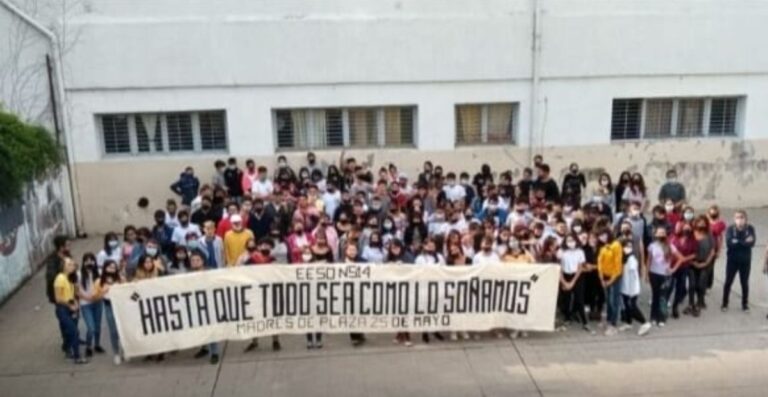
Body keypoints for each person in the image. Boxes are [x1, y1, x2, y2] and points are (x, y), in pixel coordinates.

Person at [186, 250, 221, 364]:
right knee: (200, 329)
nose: (195, 262)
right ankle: (205, 348)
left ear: (202, 261)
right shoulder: (187, 275)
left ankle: (214, 352)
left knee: (211, 329)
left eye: (197, 260)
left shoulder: (210, 272)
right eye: (193, 260)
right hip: (195, 305)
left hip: (209, 305)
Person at [721, 210, 756, 312]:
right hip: (732, 260)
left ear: (746, 219)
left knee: (744, 283)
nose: (739, 220)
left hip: (745, 261)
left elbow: (752, 243)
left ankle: (745, 304)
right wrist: (744, 241)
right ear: (734, 219)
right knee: (728, 282)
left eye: (741, 217)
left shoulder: (750, 229)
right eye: (737, 217)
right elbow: (729, 243)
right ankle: (724, 303)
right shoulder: (730, 229)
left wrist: (738, 241)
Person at [54, 257, 87, 364]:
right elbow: (58, 298)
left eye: (72, 264)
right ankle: (77, 356)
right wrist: (70, 305)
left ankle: (67, 348)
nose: (72, 266)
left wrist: (76, 303)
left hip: (72, 307)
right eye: (69, 264)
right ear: (63, 266)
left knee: (70, 332)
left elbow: (73, 294)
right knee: (73, 331)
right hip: (63, 309)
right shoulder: (60, 278)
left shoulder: (71, 278)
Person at [646, 226, 681, 327]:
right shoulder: (651, 246)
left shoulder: (670, 246)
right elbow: (649, 260)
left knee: (663, 297)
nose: (661, 235)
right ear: (655, 234)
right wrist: (647, 274)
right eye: (659, 233)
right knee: (655, 296)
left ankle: (662, 318)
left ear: (666, 235)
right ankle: (653, 317)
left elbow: (680, 258)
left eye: (663, 233)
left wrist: (673, 269)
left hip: (665, 276)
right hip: (654, 274)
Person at [94, 259, 125, 365]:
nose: (112, 269)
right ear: (105, 268)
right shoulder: (99, 281)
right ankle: (116, 353)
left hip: (120, 306)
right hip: (109, 306)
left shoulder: (120, 278)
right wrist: (103, 291)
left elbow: (127, 289)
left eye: (113, 267)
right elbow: (96, 296)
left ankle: (125, 349)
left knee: (123, 329)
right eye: (109, 267)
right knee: (113, 331)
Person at [619, 240, 652, 336]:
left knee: (632, 306)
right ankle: (628, 323)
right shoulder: (624, 258)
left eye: (629, 246)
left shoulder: (632, 259)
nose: (627, 248)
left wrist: (632, 291)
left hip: (632, 289)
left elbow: (633, 276)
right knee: (626, 305)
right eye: (625, 246)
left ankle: (645, 323)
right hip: (625, 287)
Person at [558, 234, 590, 333]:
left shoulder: (580, 251)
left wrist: (572, 282)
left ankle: (585, 322)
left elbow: (580, 267)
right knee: (566, 299)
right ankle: (567, 319)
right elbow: (558, 268)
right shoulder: (561, 251)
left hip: (577, 277)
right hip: (565, 276)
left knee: (579, 299)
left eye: (572, 240)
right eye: (568, 240)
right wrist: (564, 282)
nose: (571, 242)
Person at [45, 235, 70, 353]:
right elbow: (50, 276)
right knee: (63, 317)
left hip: (70, 290)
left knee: (72, 315)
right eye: (67, 244)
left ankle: (72, 336)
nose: (69, 246)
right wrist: (63, 273)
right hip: (59, 292)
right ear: (61, 246)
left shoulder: (67, 255)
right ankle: (66, 342)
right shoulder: (53, 260)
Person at [78, 253, 105, 358]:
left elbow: (103, 287)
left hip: (98, 302)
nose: (89, 263)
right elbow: (78, 290)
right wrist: (88, 298)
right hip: (86, 304)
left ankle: (97, 345)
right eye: (87, 260)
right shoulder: (79, 274)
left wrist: (97, 297)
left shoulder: (99, 273)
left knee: (97, 326)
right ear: (83, 262)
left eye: (91, 260)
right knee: (91, 328)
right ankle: (89, 346)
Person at [596, 229, 622, 336]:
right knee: (608, 300)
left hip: (614, 277)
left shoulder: (616, 245)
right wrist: (602, 279)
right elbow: (599, 263)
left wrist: (610, 281)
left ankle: (613, 324)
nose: (602, 237)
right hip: (605, 277)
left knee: (614, 300)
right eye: (600, 235)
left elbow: (618, 266)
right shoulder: (603, 246)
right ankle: (608, 320)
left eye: (603, 234)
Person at [669, 221, 698, 319]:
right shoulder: (673, 237)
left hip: (684, 267)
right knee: (669, 287)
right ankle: (663, 306)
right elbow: (669, 250)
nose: (687, 230)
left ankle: (675, 307)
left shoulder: (692, 240)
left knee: (679, 288)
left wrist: (685, 259)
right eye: (685, 228)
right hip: (672, 266)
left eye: (689, 228)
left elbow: (694, 254)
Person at [690, 215, 715, 314]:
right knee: (694, 284)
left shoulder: (709, 234)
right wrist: (693, 262)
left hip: (705, 263)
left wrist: (706, 263)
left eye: (703, 222)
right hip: (693, 263)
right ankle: (692, 303)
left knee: (702, 284)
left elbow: (712, 250)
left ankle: (701, 301)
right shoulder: (691, 234)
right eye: (699, 222)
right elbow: (686, 250)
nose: (701, 224)